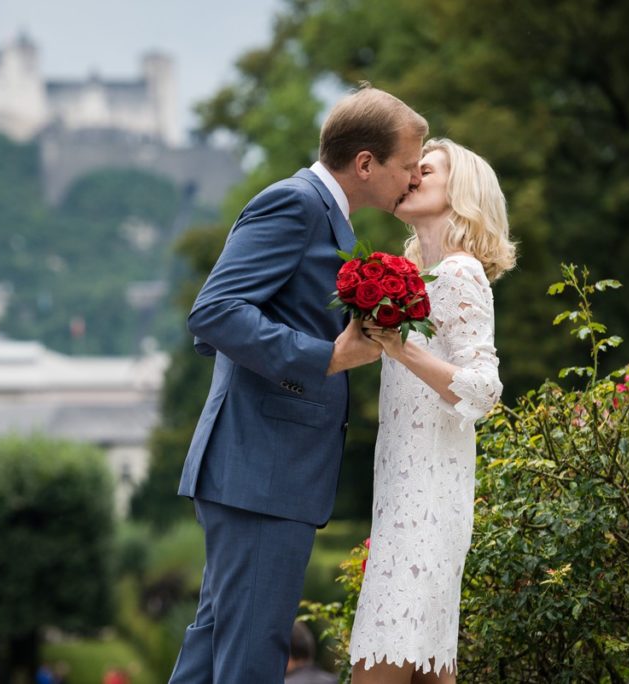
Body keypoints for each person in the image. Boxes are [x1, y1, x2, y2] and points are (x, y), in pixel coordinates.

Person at [169, 85, 428, 683]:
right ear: (365, 163)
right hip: (262, 470)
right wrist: (326, 356)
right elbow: (213, 313)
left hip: (259, 469)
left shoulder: (320, 211)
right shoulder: (296, 203)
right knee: (253, 657)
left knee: (217, 647)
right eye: (407, 167)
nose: (412, 180)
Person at [350, 138, 516, 682]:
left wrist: (403, 347)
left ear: (460, 192)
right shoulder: (423, 278)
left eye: (425, 169)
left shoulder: (460, 273)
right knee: (421, 669)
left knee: (386, 660)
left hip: (425, 504)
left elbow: (485, 391)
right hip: (406, 497)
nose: (411, 176)